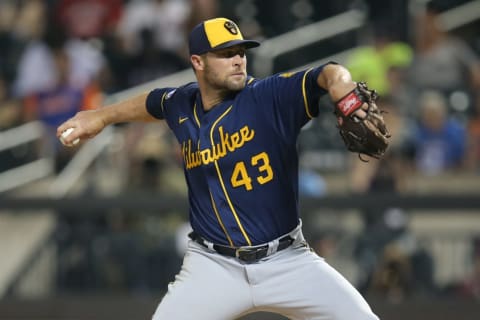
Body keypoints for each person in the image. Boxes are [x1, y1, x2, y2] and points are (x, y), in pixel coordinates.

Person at [57, 17, 380, 320]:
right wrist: (99, 116)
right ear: (198, 62)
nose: (238, 60)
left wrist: (346, 94)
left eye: (241, 52)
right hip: (213, 266)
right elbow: (151, 103)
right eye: (226, 54)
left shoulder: (269, 97)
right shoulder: (182, 104)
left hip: (287, 261)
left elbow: (329, 73)